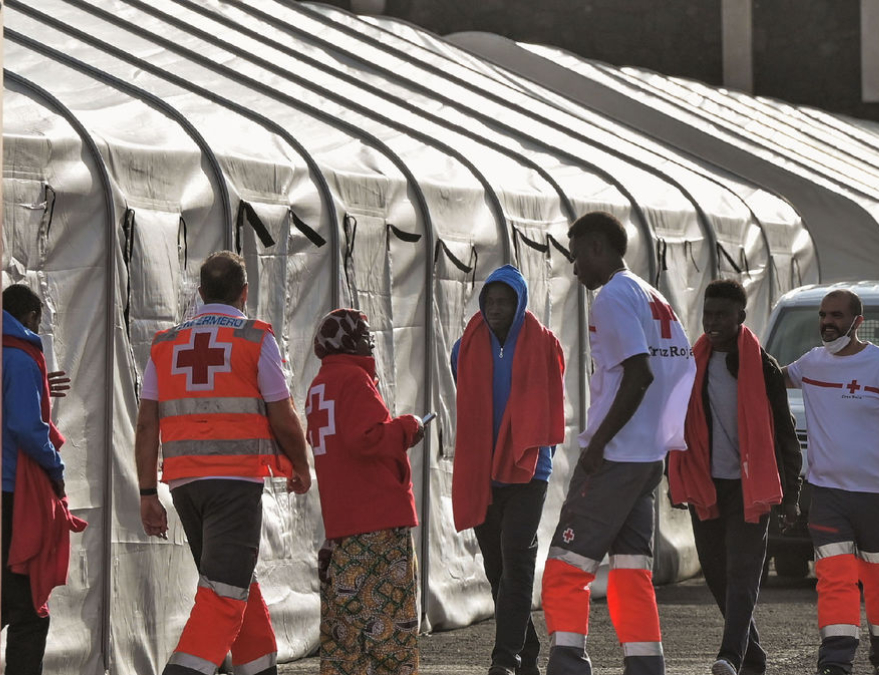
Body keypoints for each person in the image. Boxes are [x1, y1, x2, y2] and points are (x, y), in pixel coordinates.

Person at [134, 251, 312, 675]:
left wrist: (146, 493)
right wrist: (300, 465)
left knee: (232, 583)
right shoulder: (254, 337)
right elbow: (282, 413)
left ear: (200, 293)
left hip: (184, 486)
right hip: (234, 483)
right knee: (224, 596)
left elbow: (146, 425)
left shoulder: (165, 343)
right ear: (244, 293)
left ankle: (259, 669)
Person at [542, 212, 696, 675]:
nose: (574, 271)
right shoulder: (653, 297)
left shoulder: (611, 298)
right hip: (646, 455)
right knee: (631, 571)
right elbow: (676, 371)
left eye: (575, 258)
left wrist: (599, 443)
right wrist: (659, 434)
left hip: (617, 455)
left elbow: (639, 374)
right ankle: (645, 665)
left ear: (595, 247)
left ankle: (568, 664)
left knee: (565, 569)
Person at [667, 279, 802, 675]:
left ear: (740, 317)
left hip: (751, 487)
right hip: (707, 486)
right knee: (716, 574)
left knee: (741, 573)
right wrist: (674, 477)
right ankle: (753, 658)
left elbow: (784, 432)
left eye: (722, 315)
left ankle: (730, 656)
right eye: (708, 314)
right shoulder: (692, 363)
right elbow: (677, 426)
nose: (713, 322)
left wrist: (791, 494)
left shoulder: (762, 366)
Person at [781, 289, 879, 675]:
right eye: (823, 314)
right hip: (827, 495)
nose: (828, 322)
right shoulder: (811, 363)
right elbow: (770, 379)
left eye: (837, 315)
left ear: (857, 321)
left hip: (878, 497)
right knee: (834, 579)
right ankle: (835, 662)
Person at [451, 265, 566, 675]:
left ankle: (505, 659)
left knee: (517, 556)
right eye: (490, 301)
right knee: (496, 566)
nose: (496, 308)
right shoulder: (463, 347)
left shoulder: (544, 344)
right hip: (483, 471)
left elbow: (554, 403)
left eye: (504, 301)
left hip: (529, 469)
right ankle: (528, 650)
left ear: (519, 304)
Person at [305, 308, 425, 675]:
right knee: (390, 621)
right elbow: (366, 438)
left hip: (342, 521)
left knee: (348, 624)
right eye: (365, 335)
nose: (370, 342)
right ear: (349, 342)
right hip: (378, 517)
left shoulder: (319, 386)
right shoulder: (354, 380)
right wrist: (408, 428)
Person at [1, 283, 75, 675]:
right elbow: (29, 429)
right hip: (16, 493)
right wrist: (56, 471)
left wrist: (40, 386)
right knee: (30, 611)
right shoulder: (21, 359)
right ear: (30, 318)